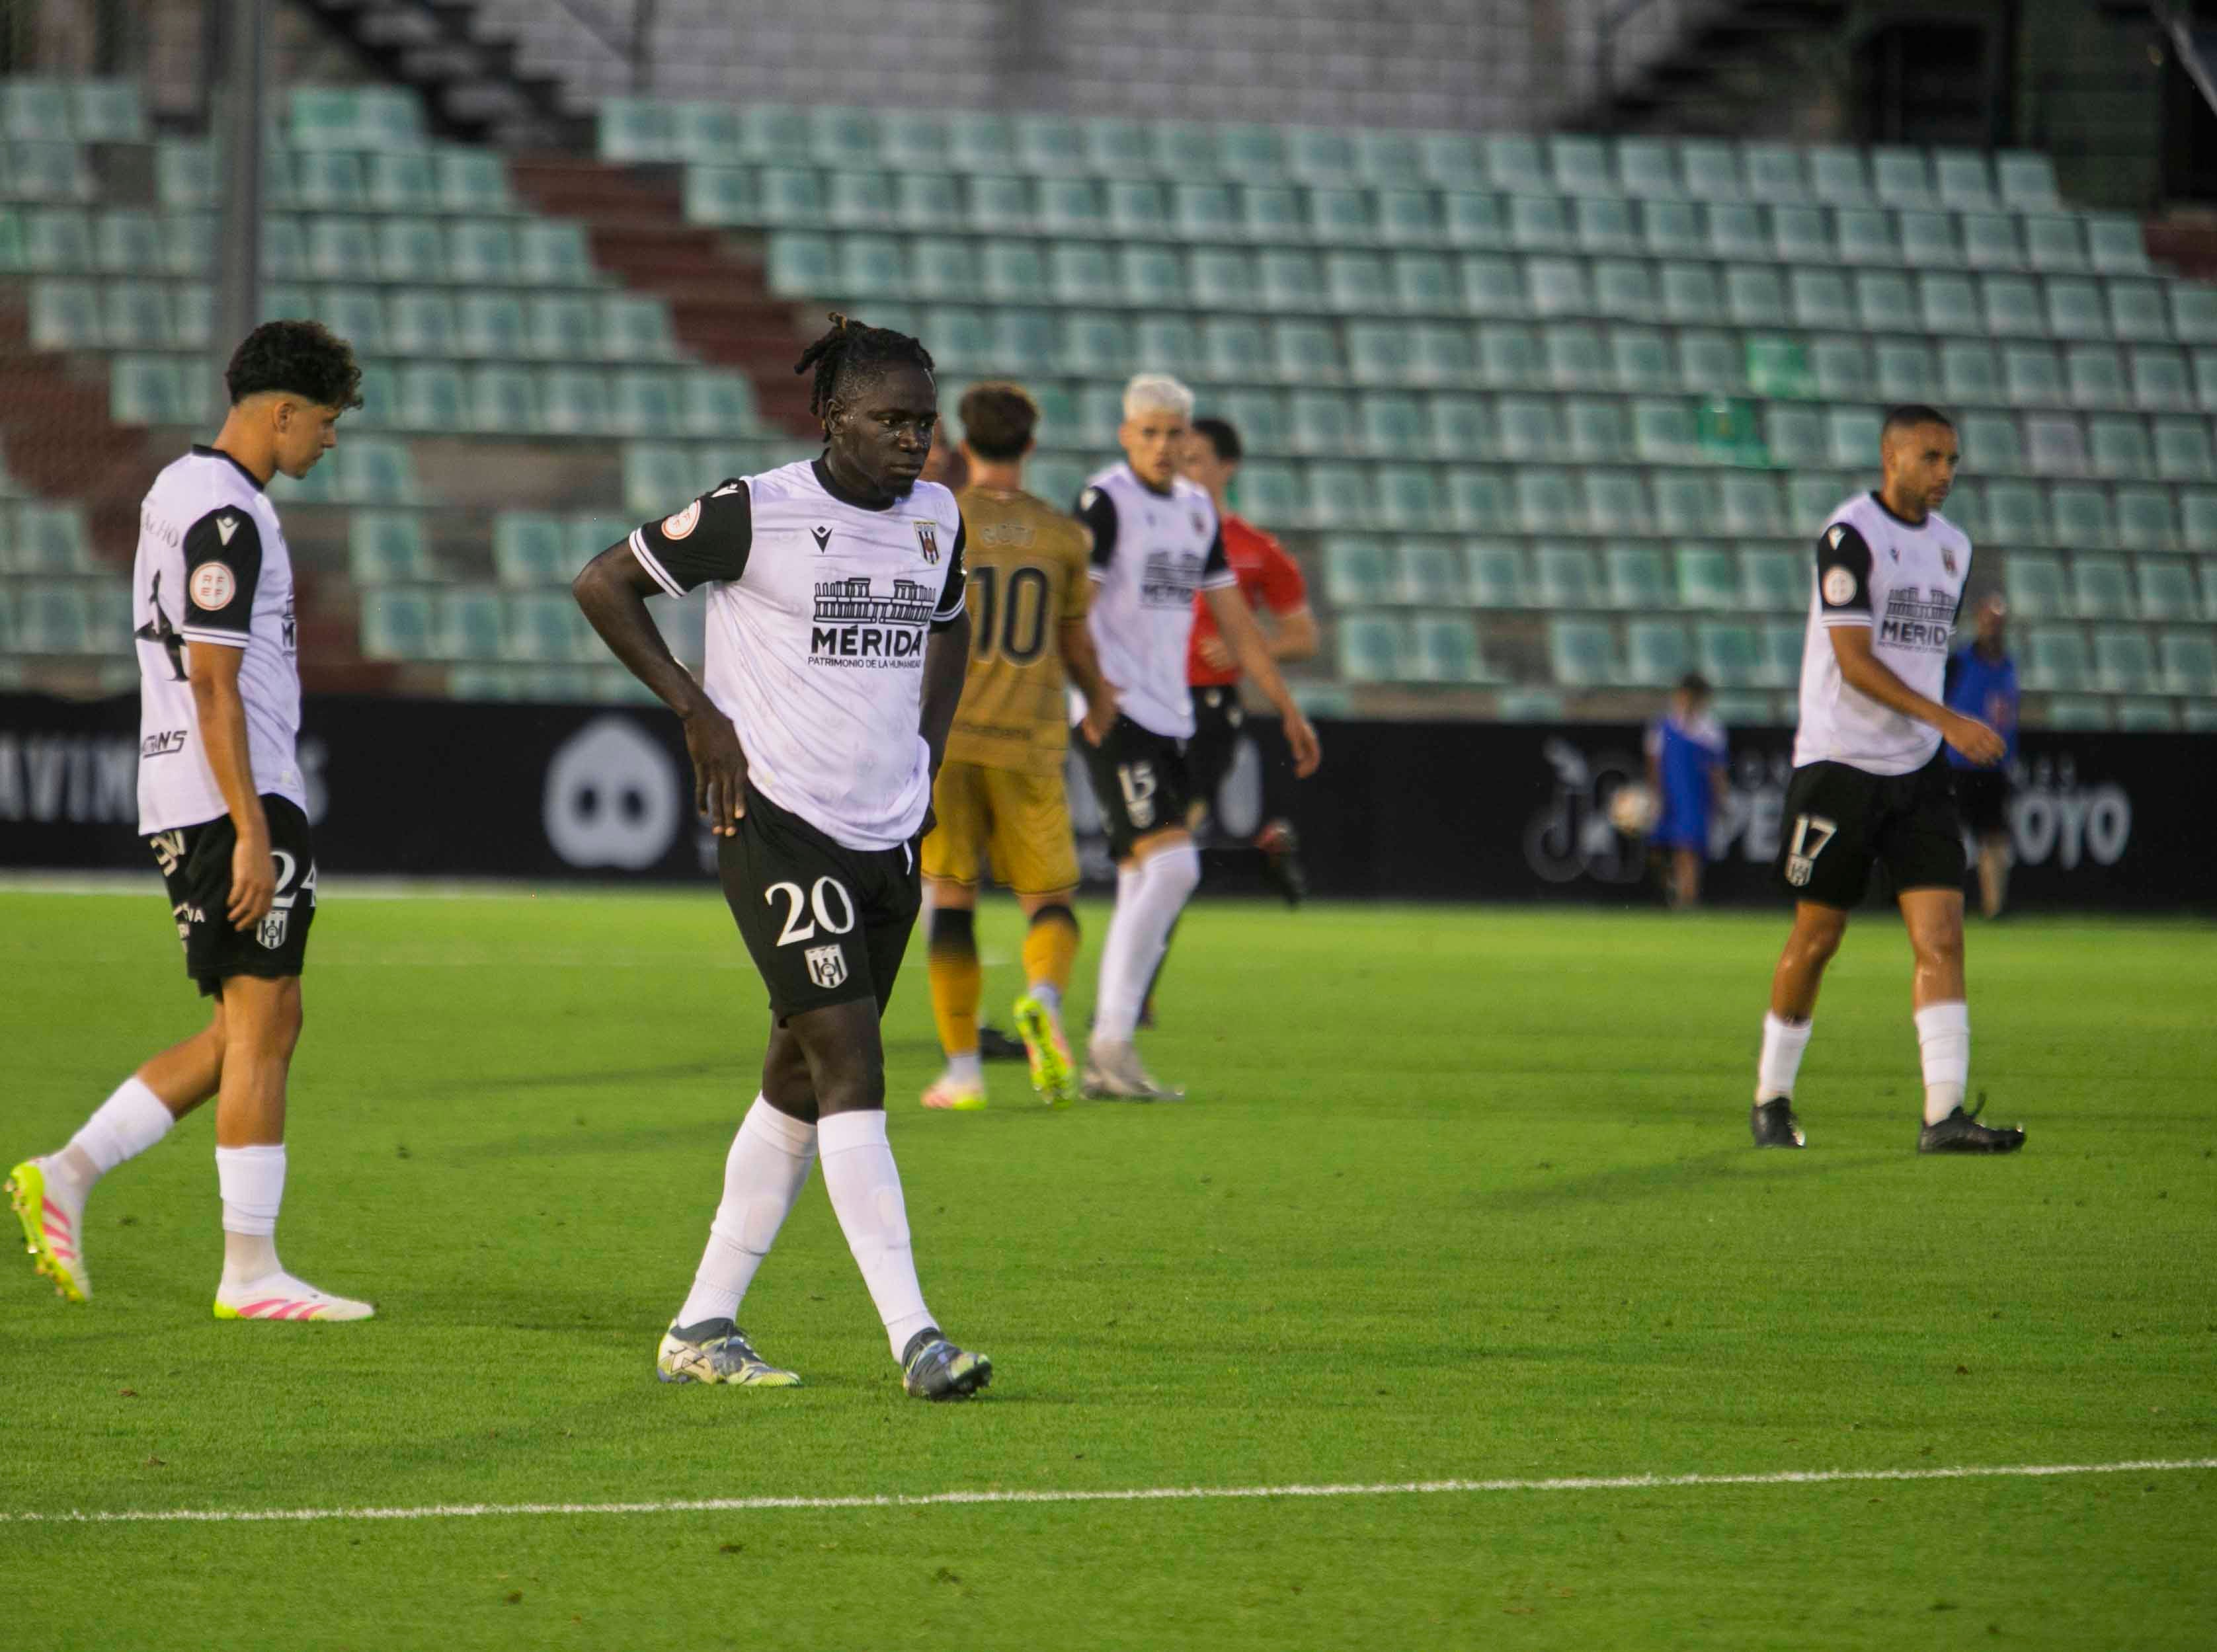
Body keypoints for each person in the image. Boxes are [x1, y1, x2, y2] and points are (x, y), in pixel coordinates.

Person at [572, 314, 989, 1399]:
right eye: (889, 420)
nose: (913, 441)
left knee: (796, 1075)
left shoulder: (937, 517)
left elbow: (951, 625)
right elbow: (601, 582)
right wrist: (695, 710)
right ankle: (918, 1335)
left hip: (887, 829)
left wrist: (928, 751)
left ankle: (701, 1323)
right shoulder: (753, 512)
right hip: (775, 822)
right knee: (852, 1062)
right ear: (828, 417)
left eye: (924, 421)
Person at [7, 321, 374, 1321]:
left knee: (255, 1021)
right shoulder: (228, 517)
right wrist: (253, 827)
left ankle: (69, 1171)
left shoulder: (179, 488)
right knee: (264, 1022)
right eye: (327, 422)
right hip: (230, 793)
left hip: (186, 791)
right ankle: (249, 1271)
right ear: (282, 411)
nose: (329, 442)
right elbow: (212, 681)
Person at [1749, 405, 2023, 1156]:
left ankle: (1942, 1115)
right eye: (1931, 458)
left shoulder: (1952, 549)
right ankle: (1771, 1096)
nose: (1944, 474)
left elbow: (1923, 653)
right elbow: (1854, 663)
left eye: (1952, 461)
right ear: (1890, 458)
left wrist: (1932, 731)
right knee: (1817, 937)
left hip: (1914, 773)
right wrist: (1947, 719)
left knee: (1941, 935)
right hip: (1838, 764)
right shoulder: (1848, 538)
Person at [1072, 374, 1322, 1100]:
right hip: (1113, 712)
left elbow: (1239, 625)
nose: (1159, 445)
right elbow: (1071, 607)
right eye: (1146, 432)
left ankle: (1106, 1054)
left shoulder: (1193, 514)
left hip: (1171, 715)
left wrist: (1287, 707)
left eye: (1172, 434)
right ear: (1126, 435)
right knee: (1174, 867)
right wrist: (1088, 687)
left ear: (1189, 442)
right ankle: (1110, 1043)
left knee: (1140, 875)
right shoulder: (1104, 503)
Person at [918, 382, 1119, 1112]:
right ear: (1031, 447)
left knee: (950, 897)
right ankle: (1041, 997)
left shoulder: (938, 521)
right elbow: (1073, 637)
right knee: (1049, 901)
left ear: (964, 445)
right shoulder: (1064, 535)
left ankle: (964, 1073)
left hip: (945, 736)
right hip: (1028, 737)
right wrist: (1097, 698)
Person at [1175, 416, 1318, 902]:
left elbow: (1302, 637)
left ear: (1227, 468)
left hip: (1208, 699)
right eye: (1180, 459)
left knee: (1171, 829)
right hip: (1147, 693)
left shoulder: (1257, 551)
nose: (1183, 469)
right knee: (1159, 832)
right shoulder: (1152, 534)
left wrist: (1243, 648)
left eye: (1195, 460)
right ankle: (1259, 856)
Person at [1943, 594, 2019, 920]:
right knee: (1950, 837)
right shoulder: (1959, 663)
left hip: (1994, 766)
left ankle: (1994, 909)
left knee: (1995, 837)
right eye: (1989, 621)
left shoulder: (2009, 666)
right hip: (1958, 763)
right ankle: (1945, 908)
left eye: (1998, 623)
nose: (1993, 628)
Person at [1643, 672, 1728, 910]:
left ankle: (1686, 903)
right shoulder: (1662, 726)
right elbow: (1654, 764)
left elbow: (1717, 771)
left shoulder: (1711, 730)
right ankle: (1671, 891)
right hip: (1668, 795)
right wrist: (1654, 796)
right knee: (1657, 851)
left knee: (1687, 850)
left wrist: (1720, 799)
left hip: (1695, 798)